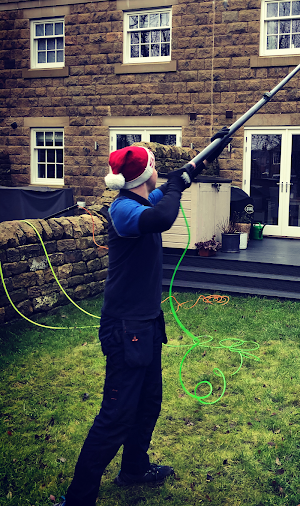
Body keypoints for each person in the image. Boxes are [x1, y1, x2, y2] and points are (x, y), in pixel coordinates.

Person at [55, 145, 195, 506]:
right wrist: (178, 187)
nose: (158, 170)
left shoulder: (144, 198)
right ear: (147, 172)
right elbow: (163, 216)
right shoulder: (125, 210)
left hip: (146, 324)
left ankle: (134, 467)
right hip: (125, 329)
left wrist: (204, 157)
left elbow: (165, 193)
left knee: (148, 403)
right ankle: (77, 499)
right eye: (155, 165)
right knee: (116, 417)